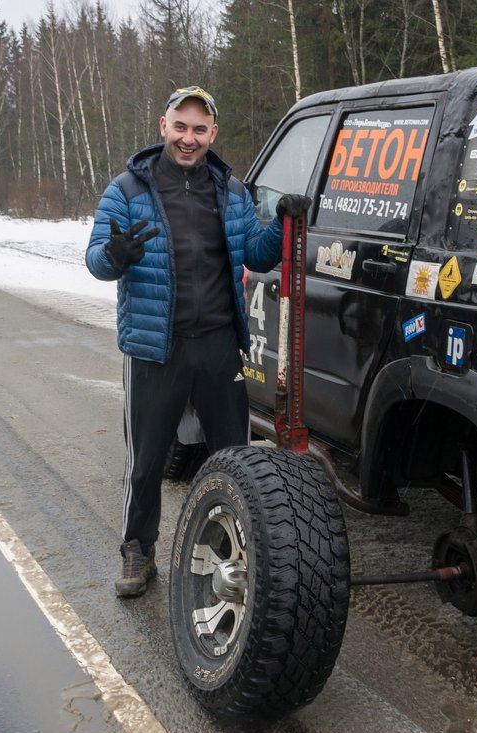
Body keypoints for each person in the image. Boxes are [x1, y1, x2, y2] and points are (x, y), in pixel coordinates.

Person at [85, 85, 310, 597]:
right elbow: (96, 258)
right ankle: (137, 551)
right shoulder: (127, 189)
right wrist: (115, 255)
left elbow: (255, 252)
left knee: (236, 454)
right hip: (154, 349)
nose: (189, 139)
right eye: (180, 127)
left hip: (217, 344)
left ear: (213, 133)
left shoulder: (231, 192)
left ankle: (234, 551)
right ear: (164, 126)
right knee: (146, 460)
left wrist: (283, 223)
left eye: (199, 129)